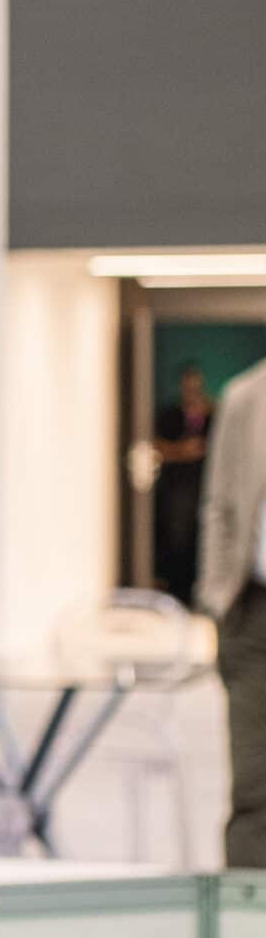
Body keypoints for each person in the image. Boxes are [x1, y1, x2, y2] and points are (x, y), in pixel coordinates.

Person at [198, 355, 266, 868]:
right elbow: (219, 504)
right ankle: (249, 903)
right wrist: (218, 597)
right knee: (254, 782)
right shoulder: (247, 397)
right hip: (253, 611)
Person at [155, 362, 214, 608]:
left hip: (207, 488)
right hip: (177, 490)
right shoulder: (170, 416)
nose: (192, 392)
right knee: (177, 540)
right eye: (188, 387)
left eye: (196, 387)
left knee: (204, 539)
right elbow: (154, 447)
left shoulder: (213, 415)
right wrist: (182, 451)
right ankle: (177, 595)